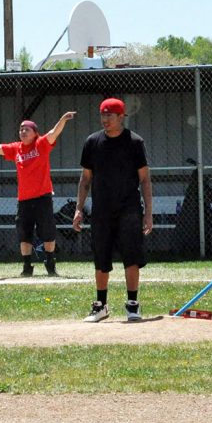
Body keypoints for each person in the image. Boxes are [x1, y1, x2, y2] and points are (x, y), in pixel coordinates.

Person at [72, 97, 153, 323]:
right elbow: (85, 179)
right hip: (102, 210)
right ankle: (101, 306)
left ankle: (133, 305)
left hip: (129, 209)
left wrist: (148, 212)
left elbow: (145, 180)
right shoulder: (92, 142)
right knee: (101, 257)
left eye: (110, 115)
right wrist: (79, 209)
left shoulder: (135, 142)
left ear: (121, 117)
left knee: (132, 257)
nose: (105, 119)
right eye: (103, 114)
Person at [0, 111, 76, 276]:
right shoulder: (16, 149)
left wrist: (62, 119)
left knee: (48, 232)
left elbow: (54, 133)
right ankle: (27, 267)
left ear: (35, 133)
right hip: (24, 199)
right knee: (24, 233)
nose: (23, 132)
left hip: (42, 197)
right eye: (21, 129)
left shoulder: (41, 144)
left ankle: (50, 264)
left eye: (27, 129)